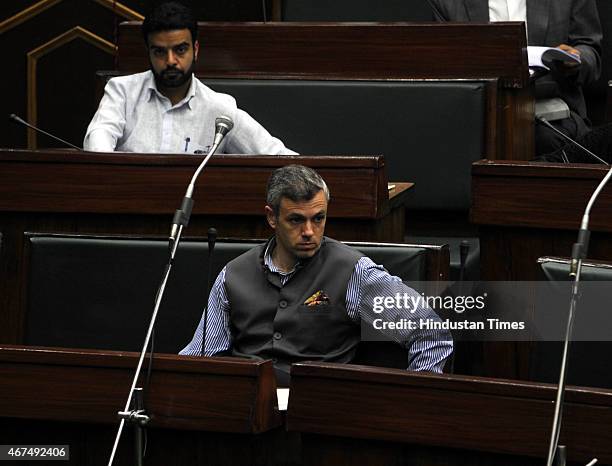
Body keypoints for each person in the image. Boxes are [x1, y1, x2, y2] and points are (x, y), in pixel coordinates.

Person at [180, 164, 453, 384]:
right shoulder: (233, 274)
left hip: (319, 417)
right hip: (246, 412)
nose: (309, 231)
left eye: (318, 218)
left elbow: (430, 332)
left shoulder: (354, 273)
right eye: (296, 220)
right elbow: (200, 355)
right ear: (271, 217)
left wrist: (415, 406)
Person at [84, 1, 295, 155]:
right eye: (159, 52)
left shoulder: (220, 109)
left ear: (195, 49)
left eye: (180, 50)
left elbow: (276, 155)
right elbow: (98, 145)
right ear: (148, 51)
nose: (171, 61)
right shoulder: (122, 92)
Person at [429, 0, 603, 157]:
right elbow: (440, 65)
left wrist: (575, 59)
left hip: (550, 111)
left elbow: (590, 50)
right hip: (477, 111)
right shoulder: (448, 3)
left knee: (546, 141)